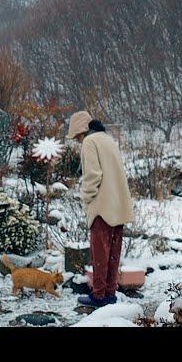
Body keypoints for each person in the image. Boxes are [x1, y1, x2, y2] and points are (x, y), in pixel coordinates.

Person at [66, 111, 134, 308]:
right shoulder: (108, 140)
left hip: (102, 206)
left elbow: (93, 175)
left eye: (77, 138)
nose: (78, 142)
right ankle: (110, 293)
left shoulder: (89, 142)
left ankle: (98, 296)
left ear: (81, 132)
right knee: (113, 252)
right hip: (118, 205)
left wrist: (85, 197)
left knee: (100, 254)